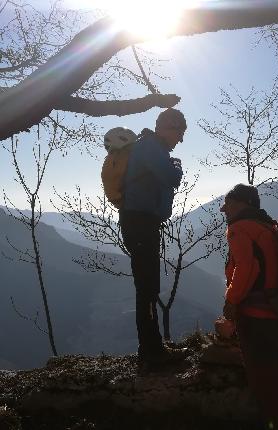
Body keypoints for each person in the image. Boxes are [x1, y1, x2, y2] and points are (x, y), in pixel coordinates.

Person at [221, 184, 278, 430]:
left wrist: (231, 300)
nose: (224, 209)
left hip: (257, 319)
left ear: (242, 203)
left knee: (265, 385)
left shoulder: (239, 229)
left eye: (229, 203)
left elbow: (247, 269)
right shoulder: (269, 227)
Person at [119, 108, 187, 369]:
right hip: (140, 223)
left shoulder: (150, 147)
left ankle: (153, 346)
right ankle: (151, 351)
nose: (179, 140)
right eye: (179, 134)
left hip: (142, 222)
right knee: (146, 287)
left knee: (148, 286)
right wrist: (176, 167)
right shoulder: (150, 147)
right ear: (167, 127)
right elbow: (171, 177)